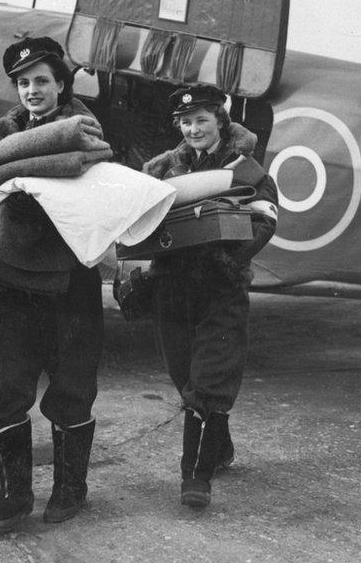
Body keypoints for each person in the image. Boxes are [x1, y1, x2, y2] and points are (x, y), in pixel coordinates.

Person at [0, 36, 103, 530]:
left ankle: (70, 488)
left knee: (72, 386)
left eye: (41, 81)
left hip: (71, 278)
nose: (31, 90)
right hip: (11, 279)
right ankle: (14, 492)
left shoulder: (85, 129)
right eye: (23, 83)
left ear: (61, 84)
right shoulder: (3, 131)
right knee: (6, 385)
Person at [142, 84, 278, 509]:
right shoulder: (162, 169)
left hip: (221, 287)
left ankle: (195, 478)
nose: (193, 128)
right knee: (185, 377)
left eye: (202, 119)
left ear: (221, 120)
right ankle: (216, 444)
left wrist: (227, 256)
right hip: (173, 290)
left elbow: (266, 219)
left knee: (210, 378)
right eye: (185, 121)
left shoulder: (247, 169)